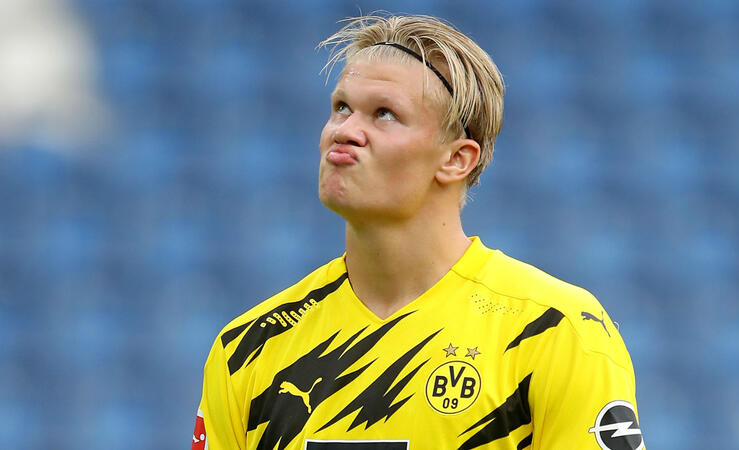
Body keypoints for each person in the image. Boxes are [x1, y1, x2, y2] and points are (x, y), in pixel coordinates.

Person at [192, 13, 644, 450]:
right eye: (341, 108)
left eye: (384, 114)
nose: (344, 131)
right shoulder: (249, 349)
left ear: (456, 159)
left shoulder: (553, 331)